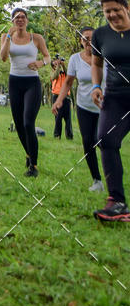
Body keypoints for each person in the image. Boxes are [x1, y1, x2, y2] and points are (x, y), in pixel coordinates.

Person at [90, 0, 130, 222]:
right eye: (107, 12)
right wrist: (96, 85)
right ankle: (117, 202)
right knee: (106, 139)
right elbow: (97, 62)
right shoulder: (100, 34)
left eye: (116, 9)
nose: (112, 15)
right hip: (114, 97)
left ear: (126, 7)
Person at [1, 8, 50, 177]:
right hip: (14, 82)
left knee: (28, 122)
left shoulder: (36, 38)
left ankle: (33, 167)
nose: (20, 19)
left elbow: (47, 57)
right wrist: (8, 36)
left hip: (32, 83)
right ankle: (29, 154)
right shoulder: (6, 37)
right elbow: (3, 57)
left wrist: (41, 63)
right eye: (16, 18)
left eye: (23, 17)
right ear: (13, 21)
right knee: (19, 124)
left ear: (27, 21)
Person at [52, 28, 103, 191]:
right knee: (88, 142)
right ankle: (97, 181)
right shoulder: (75, 59)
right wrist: (59, 101)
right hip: (84, 106)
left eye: (92, 38)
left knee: (104, 141)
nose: (89, 41)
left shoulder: (106, 56)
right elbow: (68, 82)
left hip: (105, 107)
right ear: (81, 41)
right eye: (85, 38)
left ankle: (113, 175)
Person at [51, 55, 73, 139]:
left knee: (68, 118)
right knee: (58, 117)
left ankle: (69, 136)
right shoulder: (53, 72)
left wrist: (63, 65)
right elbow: (55, 76)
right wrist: (58, 67)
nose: (57, 63)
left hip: (66, 97)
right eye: (55, 62)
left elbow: (69, 75)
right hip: (56, 97)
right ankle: (57, 135)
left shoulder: (64, 73)